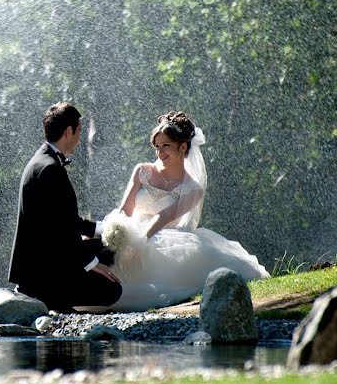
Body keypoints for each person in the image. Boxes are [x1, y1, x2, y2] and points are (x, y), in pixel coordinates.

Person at [81, 111, 269, 312]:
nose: (159, 153)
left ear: (183, 147)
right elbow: (125, 209)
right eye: (157, 147)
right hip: (131, 229)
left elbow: (165, 217)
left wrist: (138, 242)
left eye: (165, 146)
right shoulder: (142, 171)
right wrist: (117, 235)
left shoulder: (192, 189)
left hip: (160, 236)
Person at [8, 102, 122, 312]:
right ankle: (47, 298)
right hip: (45, 267)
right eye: (79, 131)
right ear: (68, 131)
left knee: (108, 248)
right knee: (113, 290)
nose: (79, 139)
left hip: (43, 257)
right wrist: (92, 264)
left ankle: (48, 294)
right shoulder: (50, 169)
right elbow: (62, 230)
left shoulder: (40, 161)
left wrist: (102, 229)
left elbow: (64, 219)